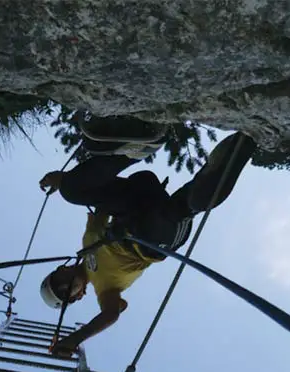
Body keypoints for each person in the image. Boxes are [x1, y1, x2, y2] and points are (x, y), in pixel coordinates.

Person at [37, 117, 257, 358]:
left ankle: (136, 147)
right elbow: (111, 315)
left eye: (57, 278)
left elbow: (99, 200)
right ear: (79, 296)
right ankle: (242, 146)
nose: (64, 282)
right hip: (152, 239)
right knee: (189, 204)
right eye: (63, 291)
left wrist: (64, 181)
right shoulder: (105, 290)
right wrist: (75, 339)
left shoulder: (87, 242)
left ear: (60, 269)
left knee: (72, 192)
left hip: (136, 203)